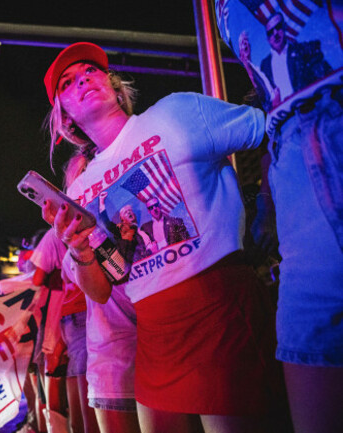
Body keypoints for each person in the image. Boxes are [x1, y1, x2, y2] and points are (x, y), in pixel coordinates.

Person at [41, 42, 284, 433]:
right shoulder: (81, 189)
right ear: (65, 117)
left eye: (91, 71)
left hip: (220, 312)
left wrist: (270, 208)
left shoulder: (176, 114)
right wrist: (80, 250)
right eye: (68, 82)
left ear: (115, 86)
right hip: (153, 337)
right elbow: (101, 290)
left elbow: (273, 127)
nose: (83, 79)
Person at [216, 4, 343, 433]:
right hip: (296, 181)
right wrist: (268, 200)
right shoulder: (222, 10)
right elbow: (276, 98)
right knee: (310, 359)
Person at [30, 228, 101, 433]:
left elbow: (37, 279)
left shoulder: (54, 234)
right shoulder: (93, 223)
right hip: (80, 310)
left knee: (62, 379)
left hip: (68, 311)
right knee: (84, 389)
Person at [260, 13, 332, 104]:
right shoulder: (265, 66)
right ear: (267, 39)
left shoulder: (304, 51)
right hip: (284, 116)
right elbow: (265, 98)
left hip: (310, 109)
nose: (275, 33)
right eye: (270, 32)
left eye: (278, 27)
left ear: (285, 27)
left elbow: (325, 77)